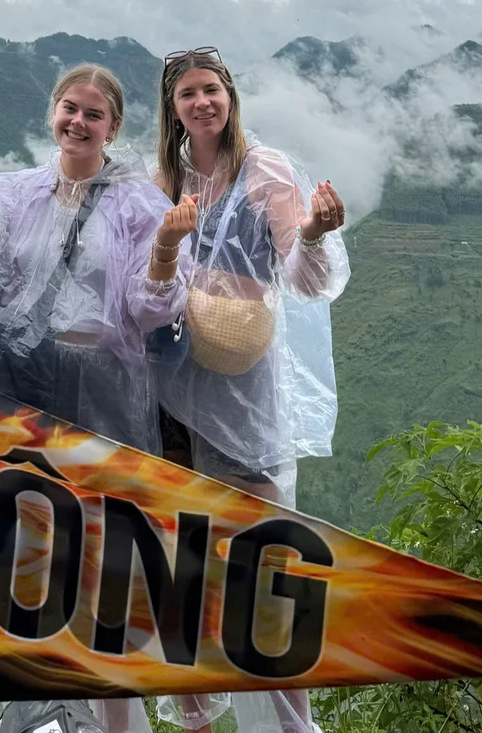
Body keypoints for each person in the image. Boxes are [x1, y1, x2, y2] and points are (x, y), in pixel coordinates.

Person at [0, 63, 197, 733]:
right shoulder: (8, 194)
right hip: (23, 393)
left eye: (94, 114)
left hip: (105, 396)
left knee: (106, 562)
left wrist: (164, 248)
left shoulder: (138, 204)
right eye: (71, 108)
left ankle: (116, 719)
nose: (79, 122)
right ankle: (38, 708)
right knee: (26, 552)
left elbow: (148, 313)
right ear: (52, 112)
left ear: (113, 127)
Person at [150, 48, 350, 733]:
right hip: (177, 378)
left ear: (229, 96)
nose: (202, 103)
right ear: (172, 109)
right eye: (188, 95)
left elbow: (302, 276)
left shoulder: (264, 168)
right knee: (186, 558)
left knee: (266, 555)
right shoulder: (170, 173)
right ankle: (197, 716)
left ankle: (292, 724)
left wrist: (316, 232)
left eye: (211, 90)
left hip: (244, 379)